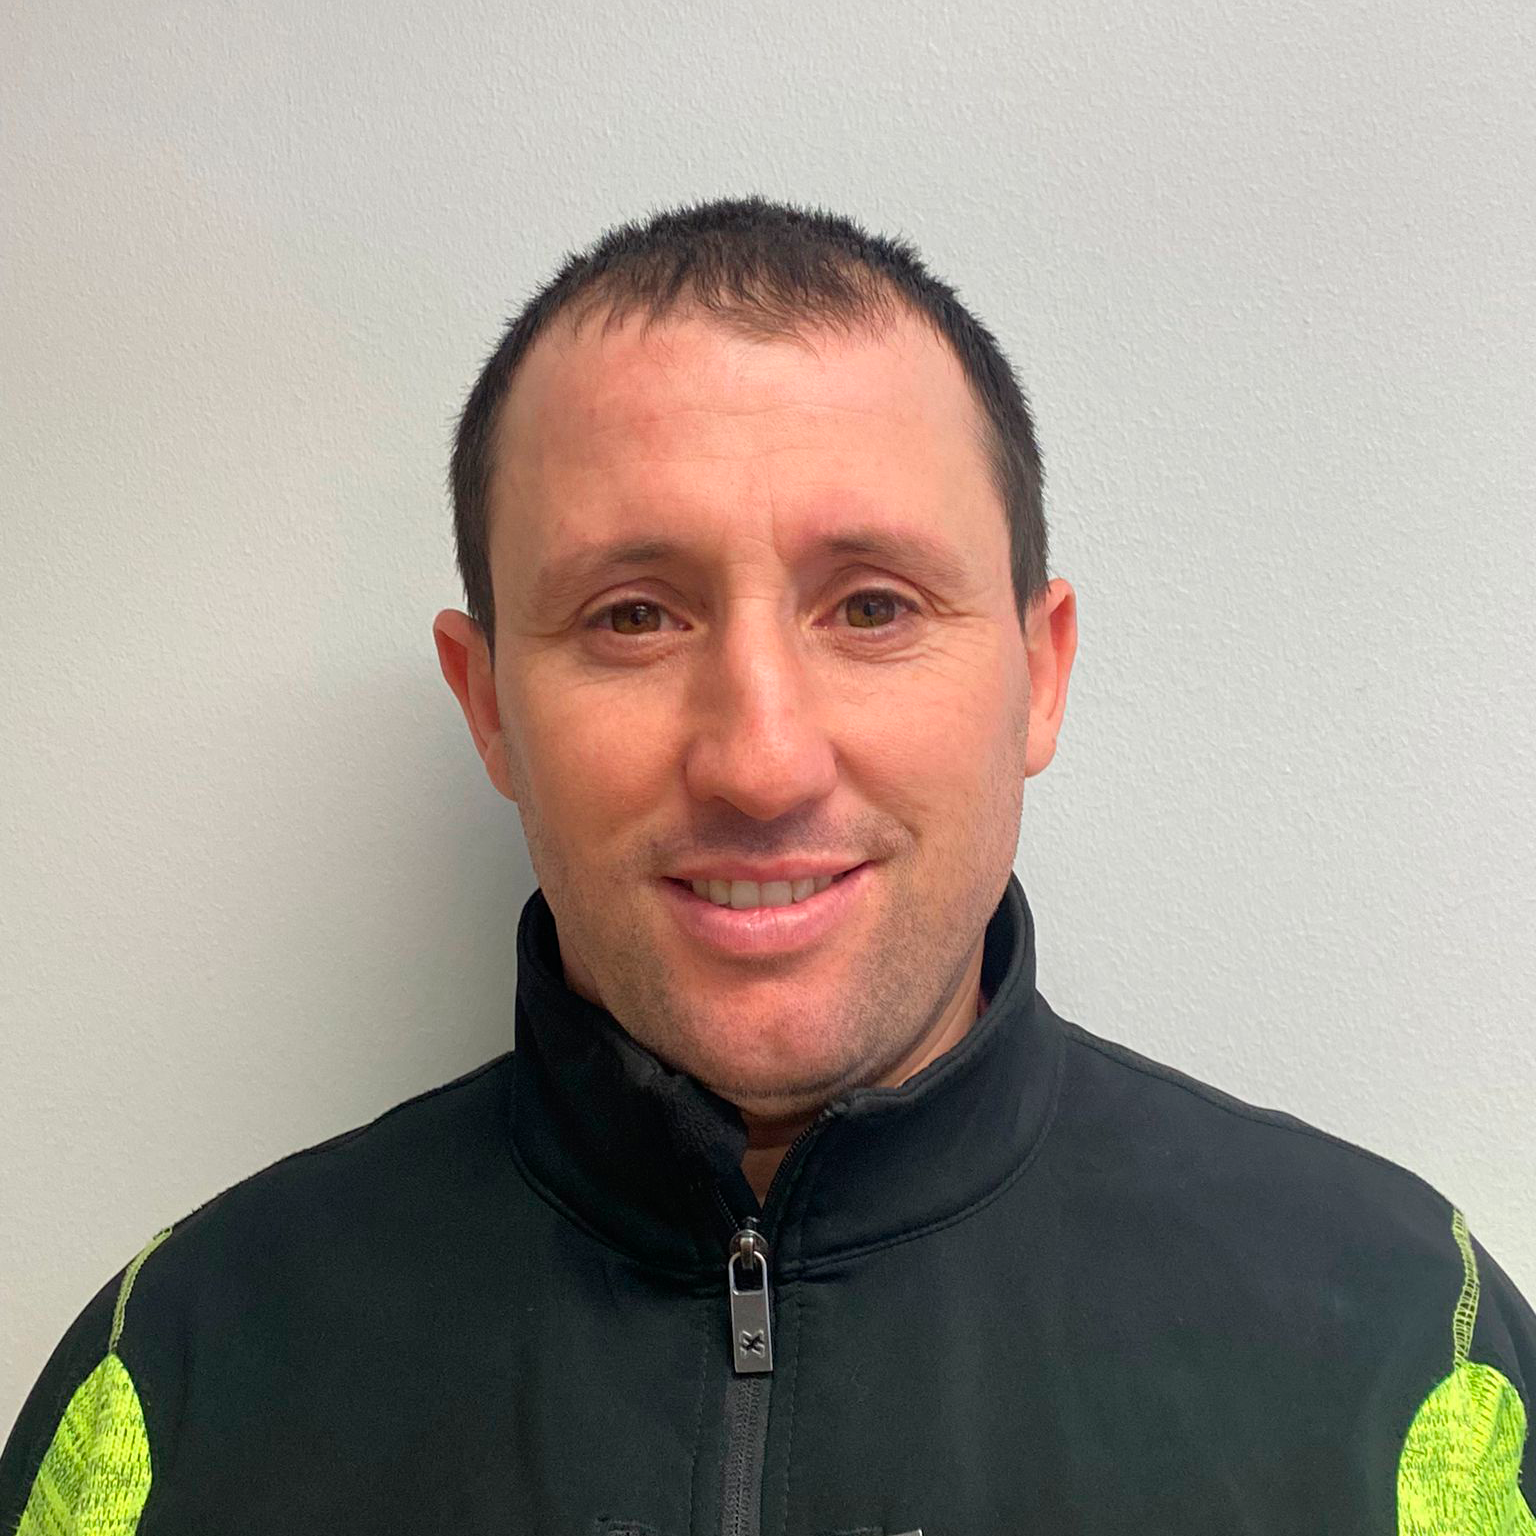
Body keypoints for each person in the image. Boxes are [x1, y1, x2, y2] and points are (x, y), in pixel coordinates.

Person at [2, 195, 1532, 1535]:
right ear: (489, 708)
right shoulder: (181, 1377)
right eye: (632, 617)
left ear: (1040, 674)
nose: (761, 759)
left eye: (872, 606)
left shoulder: (1406, 1355)